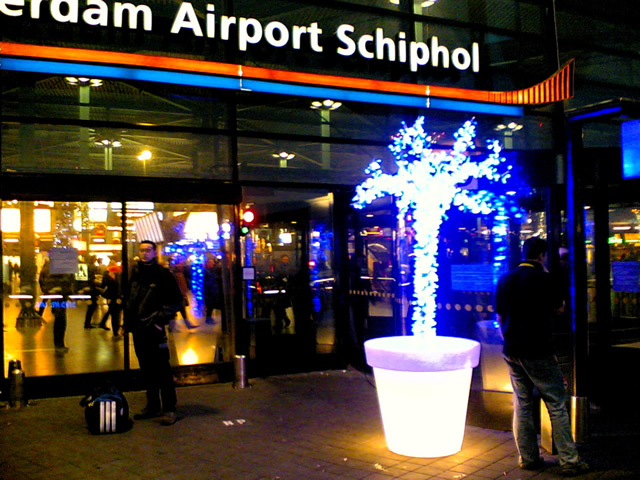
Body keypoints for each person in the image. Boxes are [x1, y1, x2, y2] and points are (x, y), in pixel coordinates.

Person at [495, 237, 589, 477]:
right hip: (539, 349)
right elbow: (560, 308)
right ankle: (570, 460)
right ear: (542, 255)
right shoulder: (545, 279)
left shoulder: (505, 278)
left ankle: (528, 458)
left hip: (512, 350)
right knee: (556, 404)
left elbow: (500, 316)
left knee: (522, 404)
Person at [124, 240, 183, 426]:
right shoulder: (135, 274)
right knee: (147, 369)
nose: (144, 253)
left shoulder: (162, 274)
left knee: (162, 369)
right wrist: (128, 323)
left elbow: (176, 301)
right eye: (142, 250)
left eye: (148, 250)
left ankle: (169, 408)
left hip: (154, 328)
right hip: (139, 328)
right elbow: (130, 300)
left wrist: (158, 320)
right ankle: (153, 405)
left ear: (154, 252)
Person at [99, 261, 122, 337]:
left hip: (117, 297)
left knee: (116, 314)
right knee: (114, 314)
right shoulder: (107, 275)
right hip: (111, 297)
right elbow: (104, 285)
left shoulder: (118, 275)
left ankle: (115, 329)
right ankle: (115, 331)